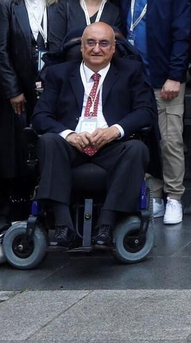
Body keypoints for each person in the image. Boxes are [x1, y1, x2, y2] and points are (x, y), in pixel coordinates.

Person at [33, 22, 155, 249]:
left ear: (113, 48)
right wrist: (68, 134)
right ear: (81, 46)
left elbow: (146, 111)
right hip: (70, 147)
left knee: (137, 149)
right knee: (49, 141)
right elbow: (40, 116)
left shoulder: (131, 71)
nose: (96, 49)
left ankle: (107, 225)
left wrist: (114, 131)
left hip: (111, 147)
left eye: (103, 43)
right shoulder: (59, 74)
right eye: (90, 42)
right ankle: (62, 226)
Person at [122, 0, 191, 227]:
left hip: (165, 80)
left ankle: (174, 197)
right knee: (142, 140)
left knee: (171, 141)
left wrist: (175, 76)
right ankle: (154, 194)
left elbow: (182, 36)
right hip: (132, 83)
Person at [0, 0, 62, 219]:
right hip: (18, 88)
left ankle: (47, 199)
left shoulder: (57, 3)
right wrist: (13, 90)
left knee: (47, 142)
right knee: (17, 146)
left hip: (50, 87)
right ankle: (18, 202)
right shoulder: (7, 4)